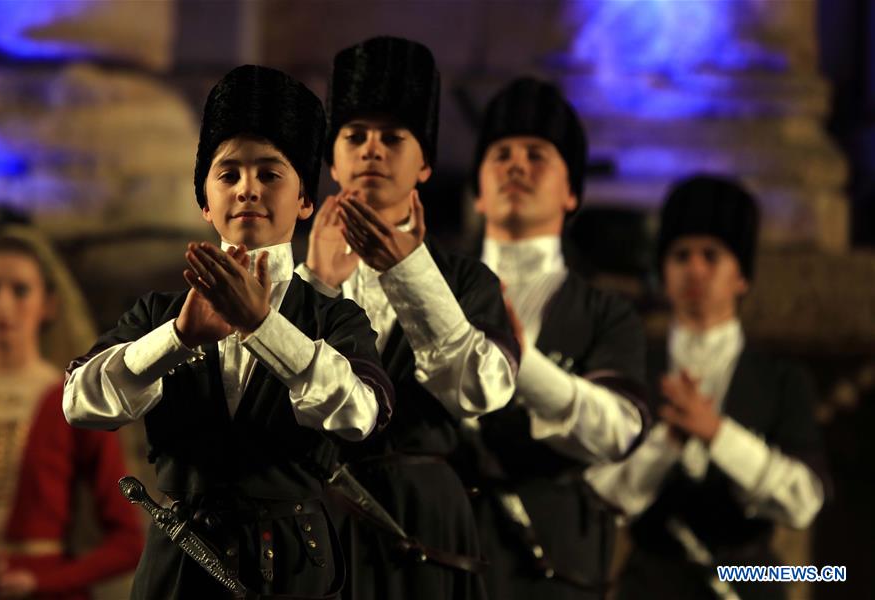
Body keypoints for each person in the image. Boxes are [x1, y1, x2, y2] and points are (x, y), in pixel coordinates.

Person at [63, 65, 394, 600]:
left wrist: (263, 327)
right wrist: (177, 338)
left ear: (305, 199)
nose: (247, 189)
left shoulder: (333, 317)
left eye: (270, 173)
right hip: (183, 559)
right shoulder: (162, 313)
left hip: (295, 562)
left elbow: (362, 415)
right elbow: (80, 401)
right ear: (204, 201)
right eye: (228, 174)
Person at [296, 36, 519, 600]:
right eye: (355, 136)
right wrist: (315, 285)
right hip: (316, 511)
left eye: (393, 138)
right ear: (332, 157)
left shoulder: (468, 280)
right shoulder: (288, 274)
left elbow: (481, 392)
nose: (372, 150)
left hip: (424, 516)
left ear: (424, 164)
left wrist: (408, 272)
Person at [585, 175, 830, 600]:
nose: (694, 269)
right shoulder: (632, 367)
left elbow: (804, 501)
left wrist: (717, 433)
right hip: (651, 583)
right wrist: (667, 443)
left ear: (742, 277)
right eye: (681, 255)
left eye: (711, 255)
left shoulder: (781, 379)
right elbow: (603, 496)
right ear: (663, 270)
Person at [458, 76, 649, 600]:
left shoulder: (606, 313)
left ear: (571, 192)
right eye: (500, 154)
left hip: (552, 564)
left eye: (537, 154)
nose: (516, 165)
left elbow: (618, 429)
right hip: (442, 556)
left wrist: (528, 367)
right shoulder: (433, 290)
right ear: (477, 188)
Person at [0, 225, 143, 600]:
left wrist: (42, 581)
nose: (3, 305)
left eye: (19, 290)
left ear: (48, 304)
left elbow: (128, 540)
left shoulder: (74, 401)